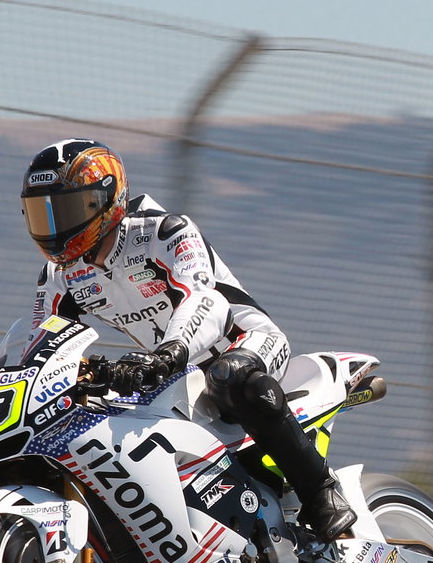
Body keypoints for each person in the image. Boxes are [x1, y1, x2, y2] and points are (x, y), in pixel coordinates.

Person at [19, 137, 357, 541]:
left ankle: (322, 493)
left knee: (230, 376)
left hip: (246, 341)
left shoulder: (163, 231)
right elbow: (42, 344)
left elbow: (205, 300)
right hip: (176, 372)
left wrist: (167, 354)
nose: (55, 230)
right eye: (44, 216)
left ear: (105, 201)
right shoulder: (58, 277)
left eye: (68, 210)